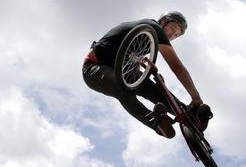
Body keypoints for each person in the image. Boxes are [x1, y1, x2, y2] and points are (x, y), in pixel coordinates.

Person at [82, 11, 212, 138]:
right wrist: (196, 97)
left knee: (157, 90)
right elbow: (176, 66)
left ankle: (190, 117)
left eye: (177, 35)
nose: (173, 35)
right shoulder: (154, 27)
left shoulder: (148, 37)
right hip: (94, 67)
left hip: (125, 71)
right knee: (121, 88)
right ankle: (157, 123)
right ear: (163, 21)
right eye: (172, 28)